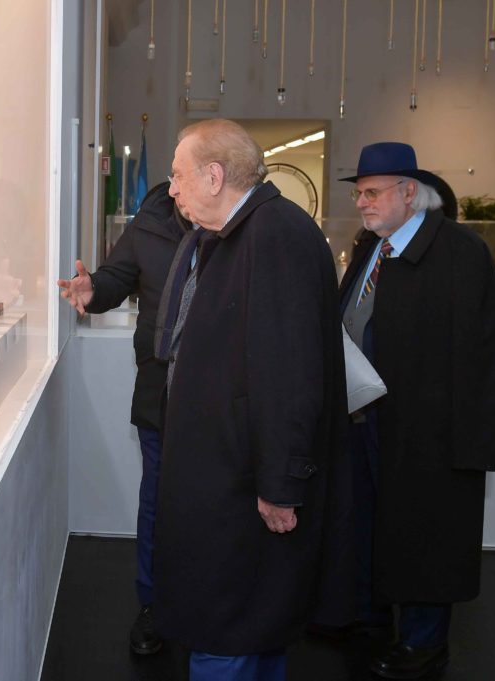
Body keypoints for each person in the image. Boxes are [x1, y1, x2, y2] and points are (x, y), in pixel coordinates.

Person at [152, 118, 352, 681]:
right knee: (248, 628)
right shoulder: (238, 235)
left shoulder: (274, 236)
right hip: (228, 480)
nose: (172, 189)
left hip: (245, 489)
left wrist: (281, 484)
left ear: (214, 176)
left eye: (178, 175)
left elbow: (289, 374)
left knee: (232, 630)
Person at [338, 142, 495, 679]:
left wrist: (471, 443)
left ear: (409, 192)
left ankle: (423, 642)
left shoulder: (459, 252)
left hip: (429, 432)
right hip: (366, 418)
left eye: (372, 192)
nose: (361, 203)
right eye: (359, 193)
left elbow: (482, 356)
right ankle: (371, 618)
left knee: (426, 534)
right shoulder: (372, 246)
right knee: (370, 525)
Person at [56, 180, 190, 655]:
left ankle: (209, 604)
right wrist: (93, 289)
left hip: (225, 400)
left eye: (185, 173)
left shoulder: (242, 227)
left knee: (216, 506)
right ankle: (154, 605)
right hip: (160, 391)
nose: (176, 184)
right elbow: (117, 276)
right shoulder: (151, 222)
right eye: (175, 175)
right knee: (157, 499)